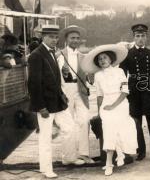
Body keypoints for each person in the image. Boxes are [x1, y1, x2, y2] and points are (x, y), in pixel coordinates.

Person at [27, 24, 84, 179]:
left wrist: (62, 94)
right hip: (45, 104)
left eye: (56, 36)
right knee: (45, 137)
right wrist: (40, 107)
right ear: (42, 37)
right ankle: (46, 169)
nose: (54, 39)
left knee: (70, 127)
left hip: (58, 101)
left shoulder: (52, 53)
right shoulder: (36, 55)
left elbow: (55, 78)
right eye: (51, 36)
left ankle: (68, 158)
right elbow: (33, 83)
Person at [81, 44, 137, 176]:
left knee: (116, 124)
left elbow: (125, 92)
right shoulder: (98, 75)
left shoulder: (120, 72)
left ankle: (109, 162)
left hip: (120, 103)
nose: (102, 60)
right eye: (100, 59)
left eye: (105, 57)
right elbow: (99, 95)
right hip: (106, 103)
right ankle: (117, 155)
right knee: (108, 126)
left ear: (111, 59)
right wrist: (100, 110)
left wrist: (113, 106)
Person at [120, 24, 150, 165]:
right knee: (136, 124)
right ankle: (141, 151)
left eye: (143, 36)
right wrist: (122, 92)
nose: (140, 39)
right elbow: (122, 75)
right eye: (138, 36)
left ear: (146, 37)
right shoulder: (127, 54)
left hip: (149, 92)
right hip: (133, 93)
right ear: (134, 38)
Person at [58, 25, 94, 164]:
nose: (75, 40)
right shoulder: (58, 55)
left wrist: (92, 74)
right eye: (72, 38)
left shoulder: (84, 57)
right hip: (64, 91)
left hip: (80, 92)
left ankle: (84, 154)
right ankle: (68, 157)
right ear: (66, 39)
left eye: (78, 38)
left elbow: (90, 79)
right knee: (68, 125)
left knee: (84, 120)